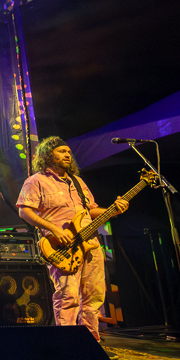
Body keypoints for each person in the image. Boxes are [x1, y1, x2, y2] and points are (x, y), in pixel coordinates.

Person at [16, 136, 128, 342]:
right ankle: (68, 344)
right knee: (68, 296)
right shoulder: (36, 181)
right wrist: (54, 229)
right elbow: (25, 211)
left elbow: (92, 211)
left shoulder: (77, 181)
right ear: (48, 155)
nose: (68, 154)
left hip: (91, 245)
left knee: (94, 298)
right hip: (63, 248)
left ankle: (91, 343)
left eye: (68, 152)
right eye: (62, 151)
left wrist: (114, 211)